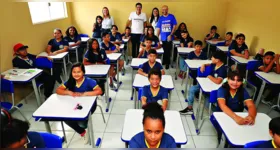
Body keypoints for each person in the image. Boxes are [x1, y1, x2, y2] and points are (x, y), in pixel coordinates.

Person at [56, 63, 102, 144]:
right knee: (65, 118)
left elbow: (99, 91)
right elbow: (58, 90)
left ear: (83, 72)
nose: (76, 74)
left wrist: (85, 94)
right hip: (75, 104)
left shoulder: (89, 81)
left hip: (89, 105)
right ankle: (83, 132)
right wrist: (69, 92)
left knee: (81, 121)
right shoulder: (70, 81)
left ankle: (83, 126)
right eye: (74, 72)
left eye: (79, 72)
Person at [156, 5, 177, 70]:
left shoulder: (171, 16)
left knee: (168, 50)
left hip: (169, 37)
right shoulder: (160, 18)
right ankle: (164, 61)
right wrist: (157, 37)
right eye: (163, 9)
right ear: (162, 10)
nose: (164, 11)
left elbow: (174, 26)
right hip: (163, 37)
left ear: (167, 10)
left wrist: (171, 34)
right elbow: (159, 28)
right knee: (164, 50)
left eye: (165, 9)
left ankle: (167, 63)